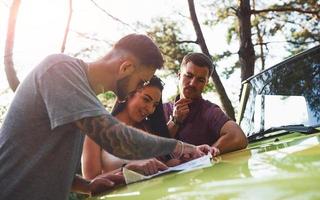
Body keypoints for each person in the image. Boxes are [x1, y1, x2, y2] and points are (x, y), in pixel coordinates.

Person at [0, 34, 211, 200]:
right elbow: (118, 140)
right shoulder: (60, 69)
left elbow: (42, 164)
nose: (138, 89)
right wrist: (184, 147)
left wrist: (87, 185)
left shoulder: (84, 101)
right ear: (126, 67)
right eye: (140, 82)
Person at [82, 76, 173, 179]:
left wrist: (171, 164)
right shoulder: (97, 131)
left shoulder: (147, 128)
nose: (150, 109)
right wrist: (128, 170)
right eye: (146, 99)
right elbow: (90, 182)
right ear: (129, 94)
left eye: (154, 105)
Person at [163, 52, 248, 155]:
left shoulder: (210, 111)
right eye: (189, 76)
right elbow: (151, 148)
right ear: (179, 75)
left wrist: (205, 155)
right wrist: (175, 121)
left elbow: (238, 137)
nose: (192, 83)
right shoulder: (162, 109)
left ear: (206, 83)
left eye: (200, 80)